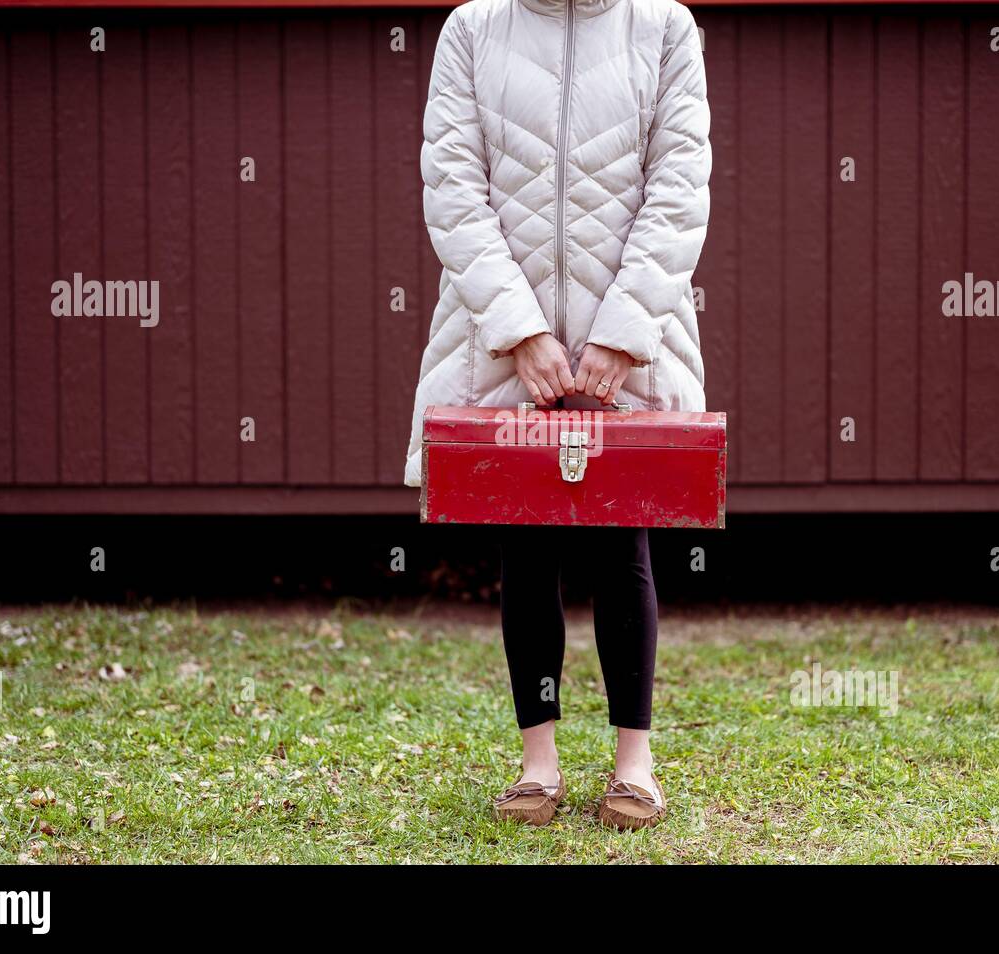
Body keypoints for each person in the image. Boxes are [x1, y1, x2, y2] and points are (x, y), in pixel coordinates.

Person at [403, 0, 712, 829]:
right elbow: (455, 189)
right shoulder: (472, 29)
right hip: (507, 350)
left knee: (627, 547)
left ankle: (634, 765)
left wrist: (621, 337)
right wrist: (521, 334)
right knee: (525, 548)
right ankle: (538, 764)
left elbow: (679, 188)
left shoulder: (665, 28)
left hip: (631, 346)